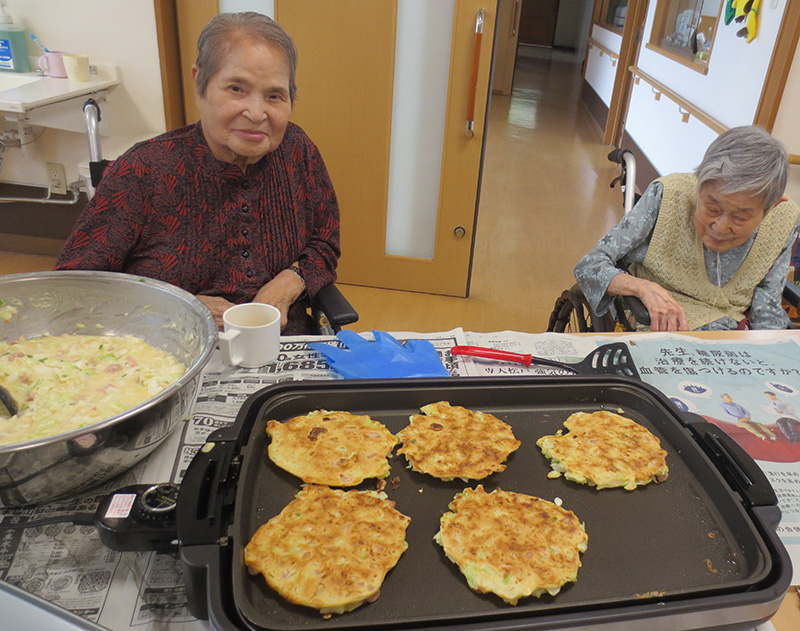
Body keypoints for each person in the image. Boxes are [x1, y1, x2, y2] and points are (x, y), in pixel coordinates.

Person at [55, 12, 340, 335]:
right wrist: (179, 307)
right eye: (236, 88)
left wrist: (290, 282)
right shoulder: (142, 172)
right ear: (199, 82)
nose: (257, 113)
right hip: (166, 350)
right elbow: (73, 287)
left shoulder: (297, 150)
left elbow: (324, 242)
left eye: (274, 95)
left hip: (283, 343)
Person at [574, 126, 800, 331]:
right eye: (712, 208)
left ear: (771, 208)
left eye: (740, 217)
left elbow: (767, 303)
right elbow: (590, 265)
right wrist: (641, 287)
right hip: (658, 326)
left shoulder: (784, 219)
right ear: (699, 186)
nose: (719, 227)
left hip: (734, 337)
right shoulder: (669, 195)